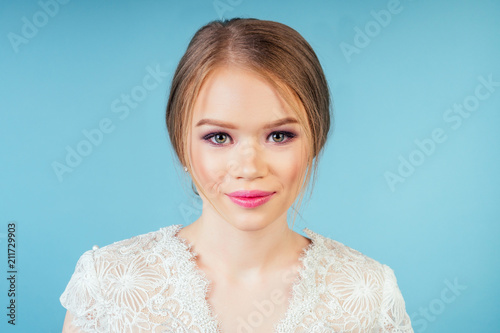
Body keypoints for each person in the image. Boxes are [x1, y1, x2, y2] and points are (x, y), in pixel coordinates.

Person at [60, 17, 413, 332]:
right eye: (219, 137)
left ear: (315, 140)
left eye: (279, 136)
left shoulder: (368, 293)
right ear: (182, 144)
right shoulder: (106, 283)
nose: (249, 168)